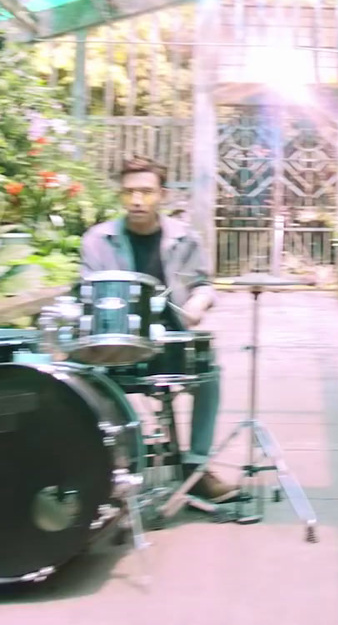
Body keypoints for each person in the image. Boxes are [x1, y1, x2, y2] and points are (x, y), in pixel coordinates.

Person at [79, 155, 238, 503]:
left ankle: (195, 467)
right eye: (129, 192)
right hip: (115, 344)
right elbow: (87, 293)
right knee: (78, 377)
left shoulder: (185, 239)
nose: (137, 200)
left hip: (169, 340)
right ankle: (108, 467)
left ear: (162, 195)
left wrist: (198, 303)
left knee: (209, 371)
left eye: (146, 192)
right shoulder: (97, 240)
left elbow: (204, 284)